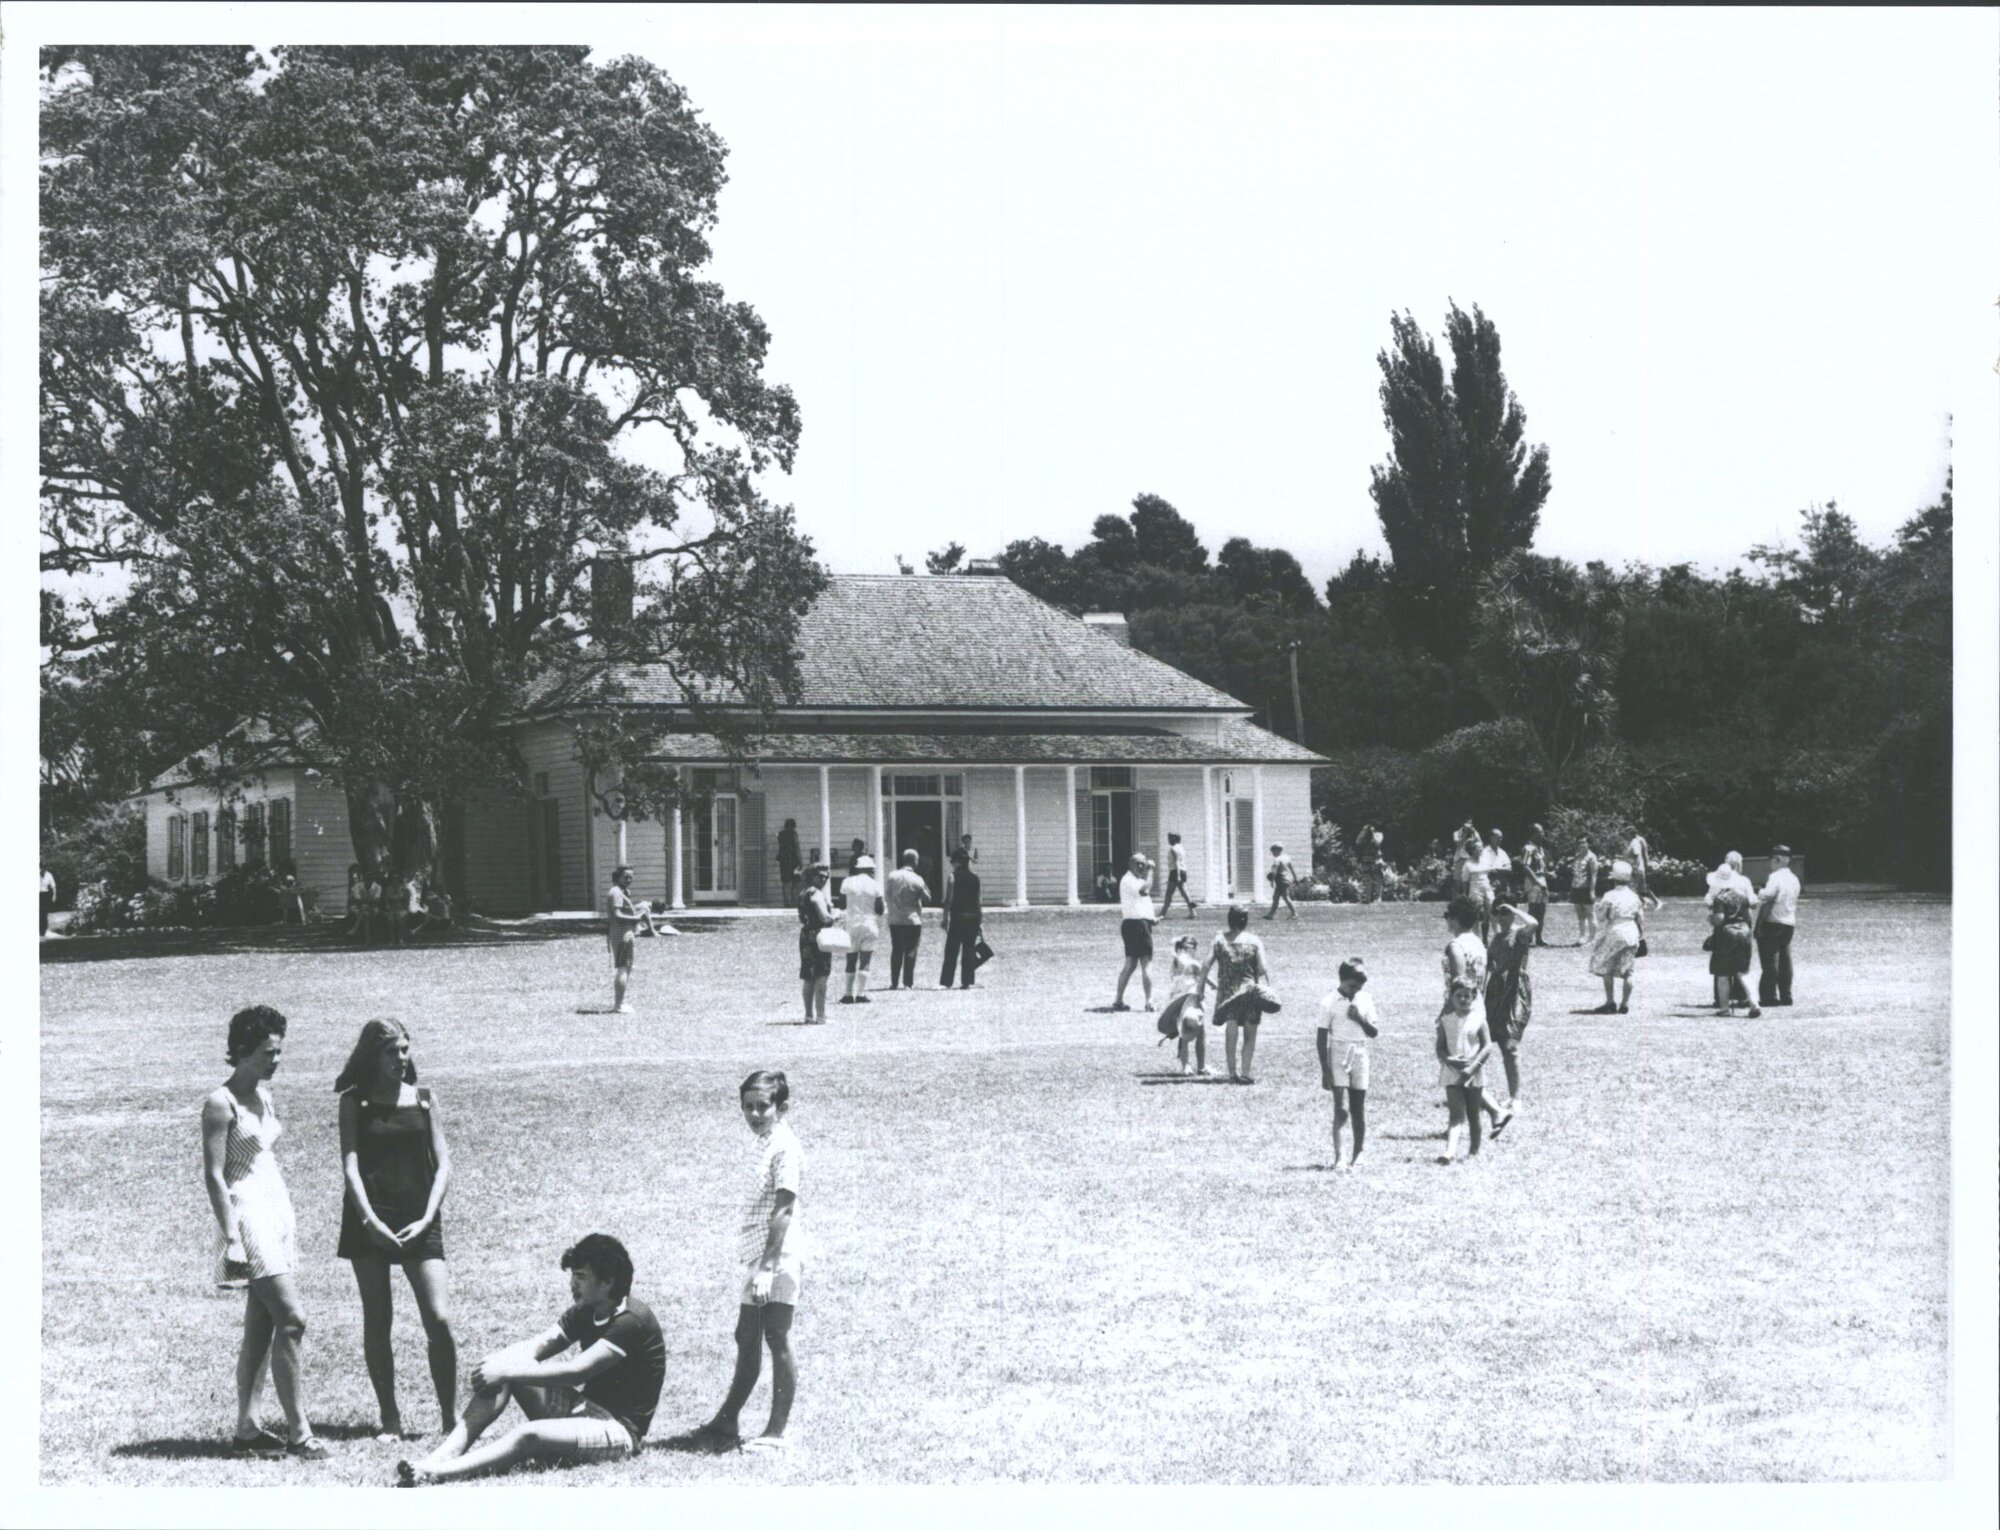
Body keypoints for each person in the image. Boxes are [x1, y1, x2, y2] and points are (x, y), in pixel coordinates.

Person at [397, 1234, 666, 1484]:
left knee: (529, 1434)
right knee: (508, 1364)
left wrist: (508, 1372)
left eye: (581, 1276)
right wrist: (500, 1362)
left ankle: (436, 1473)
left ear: (607, 1282)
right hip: (585, 1409)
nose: (573, 1284)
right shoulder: (586, 1309)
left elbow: (577, 1372)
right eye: (573, 1275)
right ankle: (441, 1456)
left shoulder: (631, 1320)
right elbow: (536, 1346)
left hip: (618, 1433)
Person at [200, 1005, 328, 1460]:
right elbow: (215, 1175)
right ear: (242, 1051)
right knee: (292, 1320)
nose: (276, 1059)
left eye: (278, 1051)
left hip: (276, 1210)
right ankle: (300, 1433)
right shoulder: (220, 1102)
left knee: (261, 1325)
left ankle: (247, 1431)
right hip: (247, 1215)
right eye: (268, 1052)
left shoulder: (265, 1095)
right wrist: (232, 1237)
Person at [336, 1019, 456, 1441]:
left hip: (419, 1218)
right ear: (373, 1055)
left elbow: (443, 1164)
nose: (401, 1058)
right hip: (369, 1220)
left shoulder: (424, 1099)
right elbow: (350, 1166)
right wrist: (371, 1222)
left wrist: (426, 1217)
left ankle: (449, 1419)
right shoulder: (355, 1102)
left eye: (405, 1049)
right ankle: (390, 1418)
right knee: (378, 1319)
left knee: (438, 1320)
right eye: (392, 1051)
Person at [683, 1070, 806, 1455]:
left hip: (778, 1257)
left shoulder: (785, 1146)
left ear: (781, 1108)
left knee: (775, 1337)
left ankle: (777, 1432)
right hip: (759, 1255)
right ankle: (726, 1421)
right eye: (748, 1107)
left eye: (763, 1107)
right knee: (746, 1336)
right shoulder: (765, 1142)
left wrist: (768, 1268)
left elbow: (784, 1209)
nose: (754, 1114)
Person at [1195, 903, 1271, 1085]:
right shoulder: (1254, 941)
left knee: (1231, 1031)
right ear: (1246, 921)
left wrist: (1200, 989)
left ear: (1229, 920)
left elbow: (1205, 965)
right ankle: (1245, 1072)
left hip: (1228, 992)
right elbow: (1263, 968)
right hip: (1250, 991)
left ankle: (1232, 1072)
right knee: (1250, 1032)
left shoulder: (1219, 940)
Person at [1317, 957, 1378, 1170]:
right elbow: (1321, 1037)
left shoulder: (1365, 999)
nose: (1356, 990)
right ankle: (1339, 1157)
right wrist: (1325, 1070)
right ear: (1342, 979)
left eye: (1360, 986)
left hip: (1359, 1053)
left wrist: (1360, 1019)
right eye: (1352, 985)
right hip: (1338, 1052)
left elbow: (1373, 1032)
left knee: (1358, 1108)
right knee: (1341, 1109)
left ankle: (1358, 1153)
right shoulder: (1329, 1002)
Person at [1482, 903, 1535, 1129]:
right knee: (1497, 1045)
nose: (1501, 917)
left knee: (1511, 1046)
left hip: (1515, 992)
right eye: (1498, 913)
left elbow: (1534, 923)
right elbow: (1488, 968)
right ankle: (1482, 1093)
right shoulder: (1495, 940)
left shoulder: (1519, 935)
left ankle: (1516, 1098)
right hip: (1495, 993)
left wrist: (1515, 909)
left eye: (1506, 913)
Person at [1436, 979, 1492, 1164]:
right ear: (1451, 997)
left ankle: (1474, 1150)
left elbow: (1487, 1047)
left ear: (1474, 997)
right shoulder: (1445, 1021)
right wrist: (1448, 1059)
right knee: (1455, 1113)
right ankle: (1449, 1151)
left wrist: (1473, 1068)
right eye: (1458, 995)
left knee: (1473, 1113)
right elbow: (1440, 1048)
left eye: (1467, 996)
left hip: (1473, 1072)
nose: (1462, 999)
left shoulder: (1479, 1019)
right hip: (1452, 1072)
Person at [1588, 861, 1645, 1014]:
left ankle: (1610, 1001)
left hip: (1615, 931)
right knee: (1629, 971)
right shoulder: (1634, 896)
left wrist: (1597, 909)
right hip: (1631, 931)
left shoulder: (1610, 895)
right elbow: (1640, 918)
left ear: (1614, 878)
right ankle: (1625, 1004)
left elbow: (1602, 917)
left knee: (1607, 967)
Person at [1754, 843, 1802, 1008]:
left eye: (1772, 860)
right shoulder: (1794, 879)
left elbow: (1767, 896)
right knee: (1785, 960)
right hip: (1789, 921)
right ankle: (1786, 995)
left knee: (1770, 961)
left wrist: (1759, 892)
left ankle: (1769, 996)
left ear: (1777, 859)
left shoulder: (1775, 877)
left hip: (1773, 921)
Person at [604, 866, 654, 1014]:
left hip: (621, 932)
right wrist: (636, 918)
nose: (629, 880)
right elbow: (617, 915)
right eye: (626, 877)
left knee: (624, 967)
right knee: (624, 968)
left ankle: (620, 1003)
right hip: (623, 933)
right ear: (617, 877)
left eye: (631, 877)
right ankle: (618, 1005)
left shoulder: (620, 892)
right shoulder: (616, 893)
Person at [1707, 880, 1760, 1017]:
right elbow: (1749, 917)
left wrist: (1711, 919)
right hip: (1744, 932)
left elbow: (1719, 919)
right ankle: (1754, 1004)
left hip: (1726, 934)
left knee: (1722, 973)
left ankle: (1724, 1008)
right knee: (1743, 972)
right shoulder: (1743, 896)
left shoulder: (1719, 899)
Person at [1111, 854, 1158, 1011]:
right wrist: (1151, 871)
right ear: (1130, 864)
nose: (1141, 867)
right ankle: (1149, 1001)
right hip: (1137, 925)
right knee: (1146, 963)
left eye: (1143, 864)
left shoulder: (1136, 879)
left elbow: (1139, 903)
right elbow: (1145, 891)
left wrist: (1151, 918)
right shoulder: (1129, 879)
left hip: (1136, 923)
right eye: (1137, 864)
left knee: (1130, 964)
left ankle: (1118, 1000)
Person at [1158, 934, 1209, 1076]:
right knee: (1192, 1033)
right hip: (1187, 999)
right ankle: (1192, 1066)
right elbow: (1207, 979)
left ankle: (1196, 1067)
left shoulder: (1178, 961)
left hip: (1183, 999)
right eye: (1190, 948)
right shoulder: (1189, 962)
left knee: (1192, 1033)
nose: (1191, 951)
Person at [838, 854, 885, 1004]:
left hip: (852, 922)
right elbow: (880, 908)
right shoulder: (875, 884)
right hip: (869, 922)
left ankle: (847, 994)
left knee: (851, 959)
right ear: (870, 869)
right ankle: (861, 993)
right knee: (865, 960)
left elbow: (842, 903)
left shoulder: (847, 882)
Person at [884, 849, 930, 990]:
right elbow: (927, 898)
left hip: (895, 919)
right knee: (910, 951)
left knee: (896, 950)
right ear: (915, 861)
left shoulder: (892, 876)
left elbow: (887, 894)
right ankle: (907, 983)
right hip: (912, 919)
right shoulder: (917, 879)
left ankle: (894, 982)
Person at [796, 861, 835, 1023]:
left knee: (808, 976)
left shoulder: (803, 892)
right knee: (821, 975)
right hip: (819, 936)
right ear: (811, 876)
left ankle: (808, 1015)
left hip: (806, 936)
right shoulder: (817, 894)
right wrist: (836, 915)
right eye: (820, 876)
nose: (824, 879)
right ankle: (820, 1015)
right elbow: (825, 917)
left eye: (827, 877)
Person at [939, 850, 983, 989]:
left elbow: (949, 900)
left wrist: (945, 918)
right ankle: (967, 981)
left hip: (958, 918)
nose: (952, 864)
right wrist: (980, 922)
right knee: (969, 950)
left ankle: (947, 981)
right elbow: (978, 902)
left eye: (953, 861)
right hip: (972, 918)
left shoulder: (952, 877)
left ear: (957, 862)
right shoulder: (976, 878)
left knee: (951, 950)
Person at [1520, 825, 1549, 946]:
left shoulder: (1540, 848)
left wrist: (1548, 874)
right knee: (1533, 909)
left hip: (1542, 878)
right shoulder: (1528, 848)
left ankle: (1539, 938)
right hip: (1533, 880)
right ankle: (1528, 936)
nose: (1543, 834)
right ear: (1533, 834)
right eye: (1540, 832)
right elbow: (1525, 866)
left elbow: (1541, 866)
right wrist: (1536, 881)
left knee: (1542, 909)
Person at [1568, 838, 1600, 944]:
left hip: (1586, 889)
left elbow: (1594, 875)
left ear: (1588, 844)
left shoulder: (1592, 857)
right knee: (1580, 915)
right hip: (1576, 888)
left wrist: (1592, 891)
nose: (1581, 845)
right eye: (1579, 843)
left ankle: (1592, 939)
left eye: (1584, 842)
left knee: (1590, 914)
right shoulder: (1577, 856)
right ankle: (1582, 937)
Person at [1626, 827, 1663, 912]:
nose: (1625, 835)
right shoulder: (1632, 842)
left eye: (1627, 833)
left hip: (1637, 868)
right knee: (1639, 888)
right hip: (1636, 867)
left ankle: (1655, 902)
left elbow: (1640, 854)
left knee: (1640, 888)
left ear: (1632, 833)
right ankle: (1644, 902)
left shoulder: (1637, 841)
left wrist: (1645, 865)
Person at [1162, 832, 1197, 918]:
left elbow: (1176, 862)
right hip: (1183, 871)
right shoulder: (1181, 848)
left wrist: (1177, 876)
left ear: (1174, 839)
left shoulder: (1173, 848)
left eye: (1170, 838)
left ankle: (1162, 913)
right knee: (1184, 893)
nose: (1168, 840)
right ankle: (1192, 911)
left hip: (1175, 872)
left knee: (1169, 893)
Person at [1264, 843, 1299, 921]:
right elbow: (1292, 869)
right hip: (1286, 880)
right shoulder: (1287, 858)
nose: (1273, 853)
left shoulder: (1277, 859)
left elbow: (1274, 872)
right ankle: (1270, 915)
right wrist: (1295, 878)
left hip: (1280, 880)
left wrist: (1272, 881)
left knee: (1286, 897)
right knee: (1275, 897)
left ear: (1277, 850)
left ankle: (1294, 913)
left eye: (1273, 851)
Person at [776, 819, 802, 907]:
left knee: (786, 883)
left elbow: (781, 848)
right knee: (795, 882)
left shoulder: (781, 835)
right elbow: (796, 848)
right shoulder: (794, 835)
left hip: (783, 862)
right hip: (794, 861)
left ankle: (787, 903)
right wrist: (800, 862)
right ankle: (794, 902)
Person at [1357, 825, 1385, 905]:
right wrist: (1363, 831)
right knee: (1367, 879)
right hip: (1366, 860)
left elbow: (1377, 842)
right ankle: (1367, 898)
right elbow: (1357, 842)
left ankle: (1378, 898)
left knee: (1378, 879)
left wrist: (1372, 833)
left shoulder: (1378, 835)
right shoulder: (1364, 837)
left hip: (1376, 860)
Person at [40, 866, 56, 937]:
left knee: (44, 913)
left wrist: (54, 896)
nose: (42, 870)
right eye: (41, 868)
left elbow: (53, 886)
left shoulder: (49, 875)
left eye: (44, 868)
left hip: (45, 895)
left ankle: (43, 930)